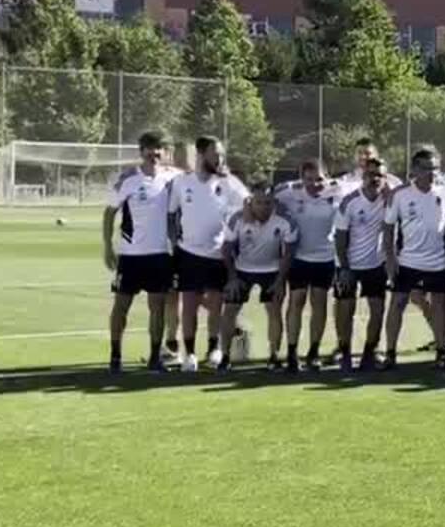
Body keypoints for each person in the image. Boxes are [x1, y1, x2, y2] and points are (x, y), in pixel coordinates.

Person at [166, 135, 250, 373]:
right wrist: (175, 243)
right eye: (216, 153)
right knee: (189, 305)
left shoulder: (230, 182)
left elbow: (250, 204)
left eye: (222, 154)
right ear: (201, 155)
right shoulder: (182, 182)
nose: (220, 158)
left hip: (218, 254)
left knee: (215, 305)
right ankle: (189, 354)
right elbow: (171, 215)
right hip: (188, 253)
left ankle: (213, 349)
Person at [102, 130, 179, 373]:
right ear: (141, 152)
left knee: (157, 308)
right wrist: (107, 246)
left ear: (165, 152)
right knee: (121, 307)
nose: (154, 153)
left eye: (159, 148)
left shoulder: (174, 178)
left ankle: (155, 357)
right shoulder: (128, 179)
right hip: (131, 256)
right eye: (149, 148)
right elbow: (109, 212)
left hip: (160, 255)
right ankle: (115, 356)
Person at [382, 148, 445, 370]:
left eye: (435, 168)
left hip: (439, 262)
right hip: (407, 262)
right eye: (426, 168)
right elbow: (388, 229)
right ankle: (390, 353)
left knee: (438, 306)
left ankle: (441, 351)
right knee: (397, 304)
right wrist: (390, 261)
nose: (431, 173)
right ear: (415, 170)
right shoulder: (400, 194)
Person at [217, 184, 298, 372]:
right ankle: (225, 356)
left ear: (274, 202)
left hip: (272, 270)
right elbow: (226, 249)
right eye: (259, 202)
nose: (263, 207)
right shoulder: (237, 219)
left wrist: (279, 281)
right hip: (242, 269)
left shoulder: (286, 221)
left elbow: (288, 254)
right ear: (250, 202)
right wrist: (232, 278)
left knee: (274, 310)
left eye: (268, 203)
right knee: (230, 309)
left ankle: (274, 355)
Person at [277, 159, 339, 372]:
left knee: (319, 303)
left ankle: (313, 352)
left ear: (327, 177)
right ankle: (292, 352)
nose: (314, 184)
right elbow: (264, 198)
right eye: (309, 179)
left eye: (319, 179)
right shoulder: (288, 192)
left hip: (325, 258)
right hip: (298, 258)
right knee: (296, 301)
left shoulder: (338, 192)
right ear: (301, 178)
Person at [332, 158, 391, 371]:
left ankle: (369, 353)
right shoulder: (350, 202)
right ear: (363, 176)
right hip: (349, 264)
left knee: (377, 310)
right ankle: (345, 352)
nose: (375, 179)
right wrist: (345, 268)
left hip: (376, 265)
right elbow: (340, 238)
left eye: (380, 175)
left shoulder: (389, 200)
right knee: (346, 311)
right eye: (371, 174)